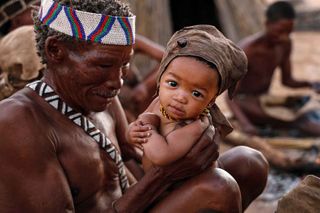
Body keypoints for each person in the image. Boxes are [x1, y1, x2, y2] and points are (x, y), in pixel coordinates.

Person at [0, 0, 268, 212]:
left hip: (135, 201)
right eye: (104, 65)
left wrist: (184, 139)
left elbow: (135, 154)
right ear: (55, 51)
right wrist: (163, 177)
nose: (117, 82)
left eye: (125, 65)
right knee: (217, 189)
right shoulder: (17, 123)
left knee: (247, 163)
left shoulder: (98, 98)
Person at [126, 25, 247, 172]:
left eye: (196, 93)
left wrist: (147, 124)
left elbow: (161, 156)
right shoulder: (159, 103)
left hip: (183, 189)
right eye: (173, 84)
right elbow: (135, 132)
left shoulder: (195, 126)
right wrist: (132, 132)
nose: (180, 97)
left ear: (211, 101)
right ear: (160, 79)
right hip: (155, 182)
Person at [227, 1, 320, 136]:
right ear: (267, 24)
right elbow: (230, 96)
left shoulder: (285, 45)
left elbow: (287, 81)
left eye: (288, 32)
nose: (284, 37)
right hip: (245, 102)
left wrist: (311, 84)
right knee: (300, 121)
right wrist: (245, 124)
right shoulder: (248, 51)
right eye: (280, 31)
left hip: (266, 100)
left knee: (305, 108)